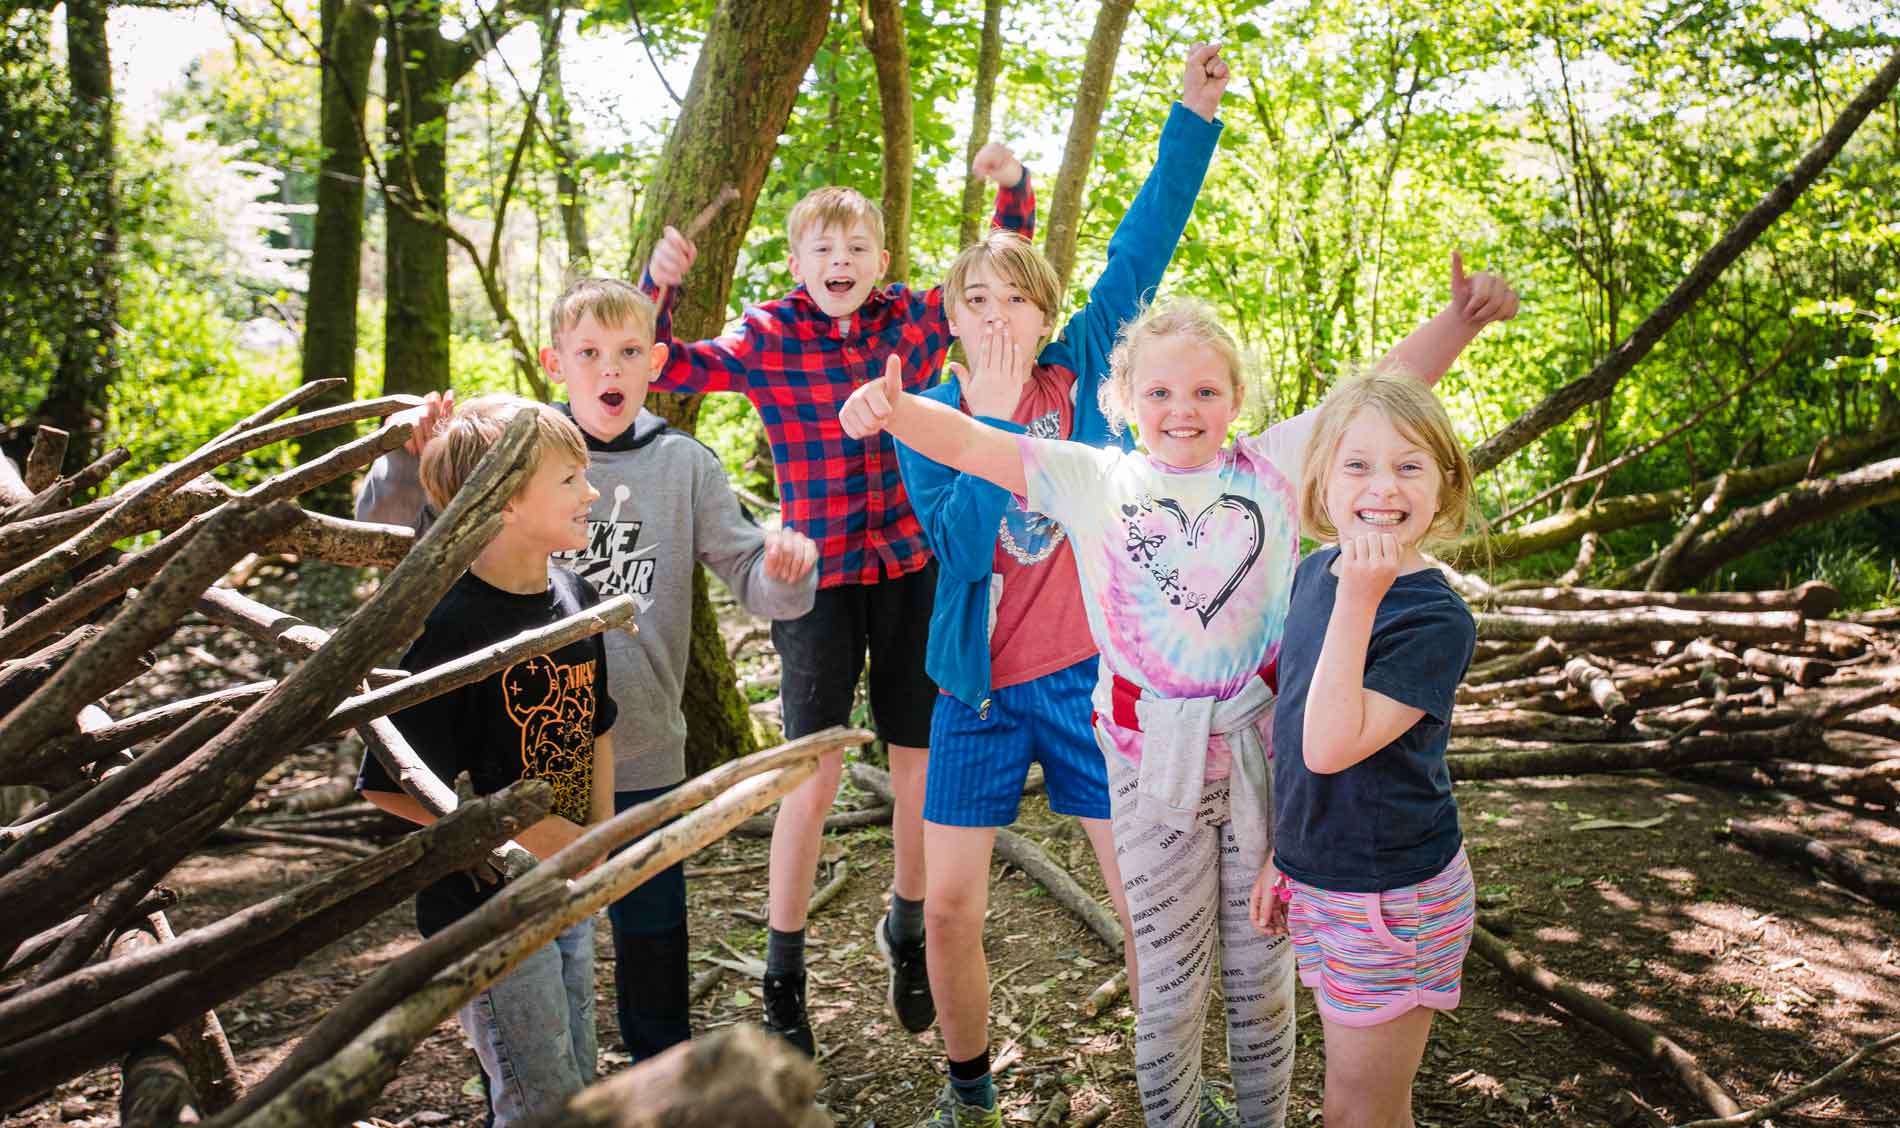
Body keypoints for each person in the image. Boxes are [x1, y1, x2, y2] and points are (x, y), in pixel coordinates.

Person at [840, 269, 1514, 1127]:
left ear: (1236, 398)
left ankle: (1260, 1117)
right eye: (1158, 390)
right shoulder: (1095, 478)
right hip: (1147, 763)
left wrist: (1458, 318)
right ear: (1122, 399)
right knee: (1165, 979)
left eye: (1204, 389)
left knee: (1261, 976)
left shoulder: (1270, 468)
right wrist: (893, 412)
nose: (1182, 407)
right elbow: (978, 446)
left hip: (1261, 759)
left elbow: (1381, 395)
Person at [893, 43, 1229, 1128]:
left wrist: (1189, 117)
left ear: (1043, 312)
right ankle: (969, 1092)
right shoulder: (929, 417)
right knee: (947, 910)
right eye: (973, 300)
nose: (994, 314)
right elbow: (954, 547)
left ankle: (1178, 1092)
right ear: (954, 319)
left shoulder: (1082, 374)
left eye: (1012, 298)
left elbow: (1144, 239)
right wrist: (985, 425)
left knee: (1147, 907)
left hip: (1096, 686)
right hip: (976, 696)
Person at [355, 280, 819, 1065]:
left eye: (630, 352)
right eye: (590, 353)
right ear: (556, 363)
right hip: (527, 765)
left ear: (657, 363)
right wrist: (412, 458)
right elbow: (392, 527)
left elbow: (756, 580)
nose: (611, 367)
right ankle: (548, 1083)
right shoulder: (517, 450)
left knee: (653, 947)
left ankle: (661, 1091)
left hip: (642, 752)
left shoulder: (686, 465)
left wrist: (788, 569)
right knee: (548, 961)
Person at [638, 147, 1034, 1053]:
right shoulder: (767, 336)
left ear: (882, 261)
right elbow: (664, 365)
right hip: (814, 579)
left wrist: (1009, 185)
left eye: (857, 245)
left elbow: (999, 282)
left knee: (916, 769)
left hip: (908, 570)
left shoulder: (915, 321)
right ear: (796, 263)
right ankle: (784, 973)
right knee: (810, 777)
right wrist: (657, 285)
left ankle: (905, 922)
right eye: (823, 248)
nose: (841, 260)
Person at [357, 394, 615, 1128]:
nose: (590, 493)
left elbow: (596, 722)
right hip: (486, 910)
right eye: (570, 480)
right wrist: (517, 843)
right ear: (504, 502)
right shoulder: (447, 627)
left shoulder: (576, 596)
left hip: (570, 883)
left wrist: (596, 835)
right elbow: (392, 785)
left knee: (579, 1077)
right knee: (542, 1101)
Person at [1249, 373, 1480, 1128]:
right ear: (1321, 476)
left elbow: (1329, 746)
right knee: (1356, 1102)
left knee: (1361, 1109)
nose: (1383, 485)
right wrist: (1286, 857)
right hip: (1328, 879)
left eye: (1409, 465)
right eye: (1358, 464)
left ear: (1444, 487)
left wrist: (1361, 598)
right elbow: (1293, 721)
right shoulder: (1317, 572)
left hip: (1394, 898)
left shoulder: (1434, 618)